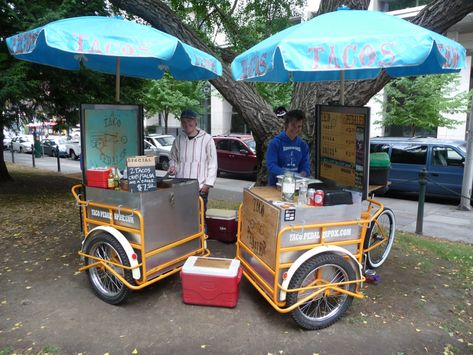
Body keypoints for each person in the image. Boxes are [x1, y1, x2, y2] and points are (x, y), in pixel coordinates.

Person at [168, 109, 217, 212]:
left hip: (199, 188)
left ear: (195, 122)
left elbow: (212, 163)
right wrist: (173, 167)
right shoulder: (178, 139)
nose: (187, 124)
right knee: (182, 217)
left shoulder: (207, 139)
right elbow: (173, 158)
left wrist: (207, 185)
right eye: (184, 122)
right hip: (180, 186)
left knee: (199, 220)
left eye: (189, 121)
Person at [266, 109, 310, 186]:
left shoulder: (303, 145)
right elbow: (271, 166)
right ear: (286, 125)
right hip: (276, 186)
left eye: (299, 126)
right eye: (293, 125)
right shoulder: (275, 143)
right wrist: (288, 174)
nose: (296, 129)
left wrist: (304, 173)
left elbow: (305, 166)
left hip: (296, 186)